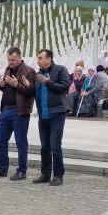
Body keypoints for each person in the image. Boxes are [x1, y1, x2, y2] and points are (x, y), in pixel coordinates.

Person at [0, 47, 36, 180]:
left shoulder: (29, 71)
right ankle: (2, 168)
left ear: (19, 58)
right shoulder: (7, 69)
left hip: (20, 111)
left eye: (12, 60)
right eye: (8, 60)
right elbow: (6, 89)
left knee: (20, 142)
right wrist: (1, 85)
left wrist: (16, 84)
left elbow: (32, 92)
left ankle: (22, 171)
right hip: (5, 109)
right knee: (0, 140)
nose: (10, 62)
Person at [33, 49, 70, 186]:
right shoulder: (38, 75)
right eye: (38, 58)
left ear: (49, 59)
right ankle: (45, 173)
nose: (38, 61)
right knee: (44, 146)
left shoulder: (60, 70)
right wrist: (24, 85)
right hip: (43, 114)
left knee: (55, 145)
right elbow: (34, 92)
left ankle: (58, 175)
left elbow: (65, 87)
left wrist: (48, 83)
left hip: (57, 113)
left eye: (41, 58)